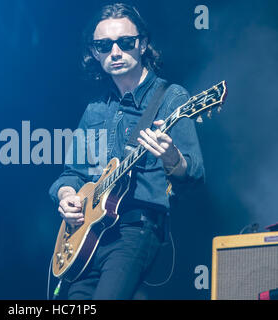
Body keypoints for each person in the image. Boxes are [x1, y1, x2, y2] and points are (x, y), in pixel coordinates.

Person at [48, 3, 205, 300]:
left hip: (136, 230)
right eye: (104, 46)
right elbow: (71, 174)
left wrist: (172, 157)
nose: (115, 52)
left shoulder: (171, 98)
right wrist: (67, 195)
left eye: (126, 42)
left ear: (143, 44)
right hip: (88, 237)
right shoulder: (95, 109)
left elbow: (194, 176)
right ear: (95, 53)